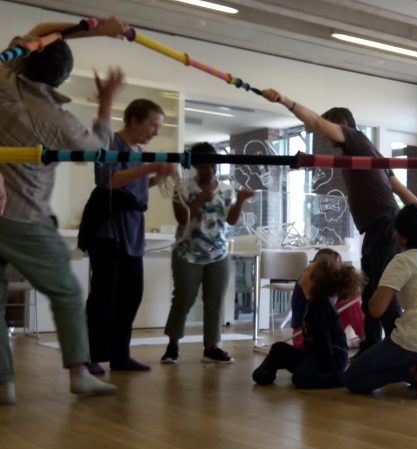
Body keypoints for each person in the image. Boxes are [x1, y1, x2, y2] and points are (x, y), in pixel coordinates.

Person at [0, 18, 131, 403]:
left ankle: (3, 383)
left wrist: (94, 27)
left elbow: (39, 26)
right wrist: (106, 102)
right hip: (24, 218)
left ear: (25, 58)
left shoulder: (3, 85)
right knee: (68, 293)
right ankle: (79, 372)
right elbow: (100, 151)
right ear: (61, 79)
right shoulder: (61, 122)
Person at [260, 88, 417, 354]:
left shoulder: (356, 139)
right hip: (379, 228)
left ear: (344, 125)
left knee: (381, 294)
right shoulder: (367, 153)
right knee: (372, 293)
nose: (328, 139)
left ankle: (403, 352)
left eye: (331, 130)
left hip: (384, 226)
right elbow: (399, 189)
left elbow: (315, 122)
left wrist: (283, 100)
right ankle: (375, 348)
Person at [78, 98, 177, 374]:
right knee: (103, 296)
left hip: (133, 230)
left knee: (131, 295)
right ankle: (90, 356)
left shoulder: (139, 150)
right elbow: (108, 181)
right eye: (153, 125)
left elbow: (137, 184)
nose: (156, 132)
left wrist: (159, 176)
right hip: (108, 230)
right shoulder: (113, 143)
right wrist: (150, 167)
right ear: (134, 120)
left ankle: (120, 355)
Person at [344, 204, 417, 398]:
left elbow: (376, 310)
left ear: (404, 237)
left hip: (416, 343)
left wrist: (370, 286)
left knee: (352, 379)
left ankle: (414, 371)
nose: (393, 237)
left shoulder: (402, 261)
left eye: (395, 231)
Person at [159, 142, 254, 365]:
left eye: (211, 165)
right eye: (202, 166)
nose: (208, 169)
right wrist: (202, 198)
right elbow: (181, 218)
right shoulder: (182, 187)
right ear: (195, 166)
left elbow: (230, 220)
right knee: (183, 298)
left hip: (218, 254)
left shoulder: (226, 189)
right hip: (187, 253)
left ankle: (211, 347)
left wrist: (240, 200)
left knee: (215, 301)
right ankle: (173, 345)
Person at [252, 253, 364, 389]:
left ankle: (343, 378)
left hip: (331, 359)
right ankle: (266, 372)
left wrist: (316, 368)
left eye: (308, 270)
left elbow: (324, 345)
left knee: (300, 378)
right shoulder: (312, 303)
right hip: (314, 353)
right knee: (278, 348)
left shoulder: (318, 308)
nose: (304, 271)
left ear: (313, 282)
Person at [288, 248, 364, 350]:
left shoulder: (323, 284)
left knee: (352, 300)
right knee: (351, 300)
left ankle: (364, 338)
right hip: (306, 336)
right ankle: (362, 338)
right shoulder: (309, 283)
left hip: (323, 333)